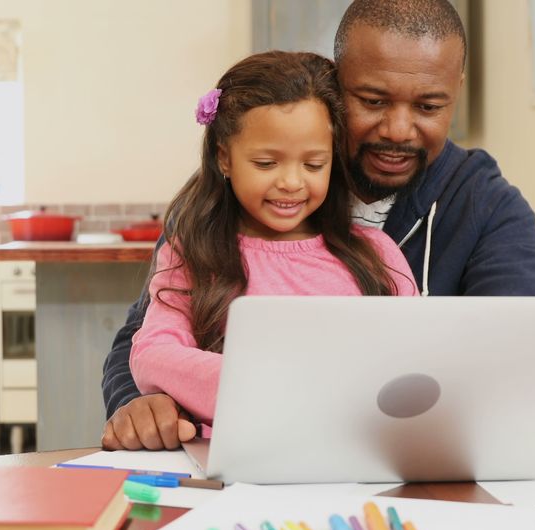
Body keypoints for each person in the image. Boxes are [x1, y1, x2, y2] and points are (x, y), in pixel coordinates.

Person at [101, 0, 535, 451]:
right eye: (373, 100)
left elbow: (519, 358)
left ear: (454, 92)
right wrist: (141, 405)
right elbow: (146, 339)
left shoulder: (481, 206)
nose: (399, 129)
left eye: (429, 106)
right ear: (335, 88)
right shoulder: (220, 210)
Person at [130, 51, 418, 430]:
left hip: (354, 463)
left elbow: (417, 359)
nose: (292, 182)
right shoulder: (195, 254)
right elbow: (153, 353)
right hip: (238, 464)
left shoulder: (376, 254)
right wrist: (272, 382)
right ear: (224, 158)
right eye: (266, 164)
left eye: (314, 164)